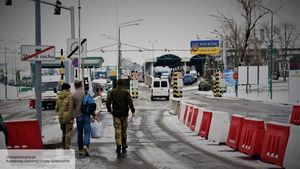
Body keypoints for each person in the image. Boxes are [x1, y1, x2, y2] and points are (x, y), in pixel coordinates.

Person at [106, 79, 135, 157]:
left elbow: (108, 102)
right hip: (124, 115)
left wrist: (109, 110)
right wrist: (133, 110)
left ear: (117, 84)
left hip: (116, 115)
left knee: (117, 130)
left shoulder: (112, 92)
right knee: (124, 130)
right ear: (123, 84)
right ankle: (124, 145)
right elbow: (130, 102)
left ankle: (118, 145)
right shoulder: (126, 92)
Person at [70, 80, 95, 156]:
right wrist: (93, 114)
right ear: (81, 85)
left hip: (78, 116)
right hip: (86, 115)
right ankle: (86, 146)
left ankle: (80, 149)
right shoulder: (86, 93)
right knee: (87, 132)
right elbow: (91, 104)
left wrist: (71, 118)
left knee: (79, 132)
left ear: (75, 86)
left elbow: (71, 107)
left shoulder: (73, 95)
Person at [55, 83, 73, 149]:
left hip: (61, 117)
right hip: (68, 117)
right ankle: (67, 146)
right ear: (68, 88)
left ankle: (63, 146)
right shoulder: (70, 95)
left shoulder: (59, 96)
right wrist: (72, 117)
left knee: (63, 132)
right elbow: (71, 107)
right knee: (68, 132)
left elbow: (56, 108)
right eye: (70, 88)